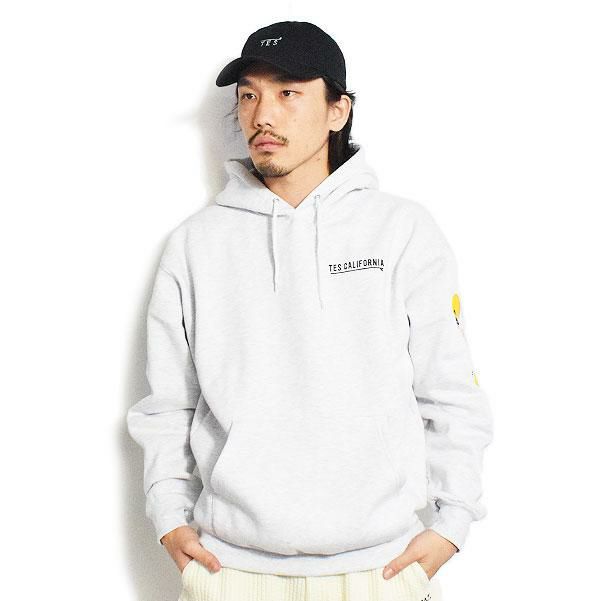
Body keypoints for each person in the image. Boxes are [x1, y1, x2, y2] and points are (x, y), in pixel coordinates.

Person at [126, 20, 494, 601]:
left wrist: (453, 523)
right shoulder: (196, 245)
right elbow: (169, 404)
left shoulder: (401, 231)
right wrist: (169, 516)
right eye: (249, 95)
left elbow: (449, 390)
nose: (262, 115)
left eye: (288, 93)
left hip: (380, 570)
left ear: (337, 111)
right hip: (230, 572)